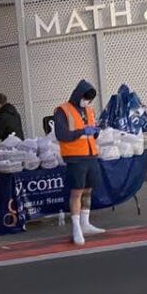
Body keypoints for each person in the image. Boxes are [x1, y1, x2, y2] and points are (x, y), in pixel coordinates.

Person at [53, 80, 106, 246]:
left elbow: (92, 133)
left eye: (89, 100)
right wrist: (82, 131)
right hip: (75, 157)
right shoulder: (62, 110)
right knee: (77, 191)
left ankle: (85, 223)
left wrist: (96, 131)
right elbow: (62, 135)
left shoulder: (89, 110)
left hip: (91, 155)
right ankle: (76, 227)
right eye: (85, 98)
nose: (87, 102)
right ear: (78, 95)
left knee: (89, 189)